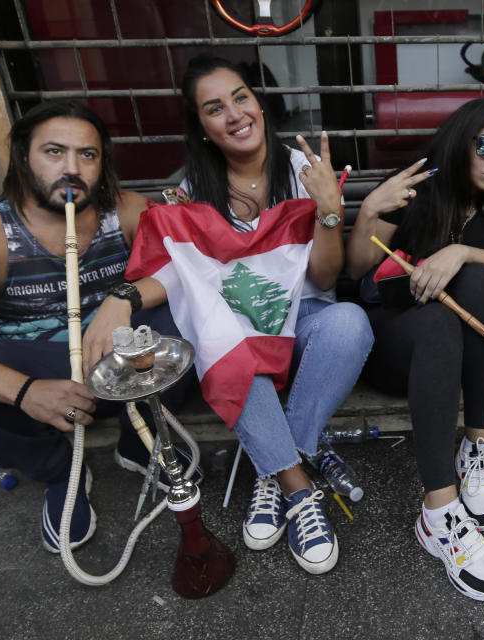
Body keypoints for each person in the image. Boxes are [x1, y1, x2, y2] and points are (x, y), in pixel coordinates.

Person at [87, 53, 373, 576]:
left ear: (260, 104)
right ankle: (295, 484)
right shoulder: (187, 193)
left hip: (307, 317)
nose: (235, 114)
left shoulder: (304, 170)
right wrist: (121, 297)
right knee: (226, 338)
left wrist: (330, 209)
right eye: (215, 108)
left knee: (350, 321)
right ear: (202, 127)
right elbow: (175, 273)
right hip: (237, 326)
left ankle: (272, 461)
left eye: (241, 97)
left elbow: (327, 279)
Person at [0, 100, 194, 554]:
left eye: (87, 155)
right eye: (54, 152)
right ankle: (58, 469)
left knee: (185, 315)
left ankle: (141, 442)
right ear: (23, 158)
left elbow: (190, 264)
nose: (72, 168)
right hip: (43, 382)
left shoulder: (124, 211)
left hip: (123, 371)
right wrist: (24, 390)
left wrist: (122, 299)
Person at [346, 98, 484, 601]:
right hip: (393, 340)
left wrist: (460, 251)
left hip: (451, 341)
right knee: (440, 319)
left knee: (482, 277)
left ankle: (477, 441)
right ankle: (439, 510)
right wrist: (371, 211)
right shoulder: (416, 191)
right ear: (461, 140)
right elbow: (357, 269)